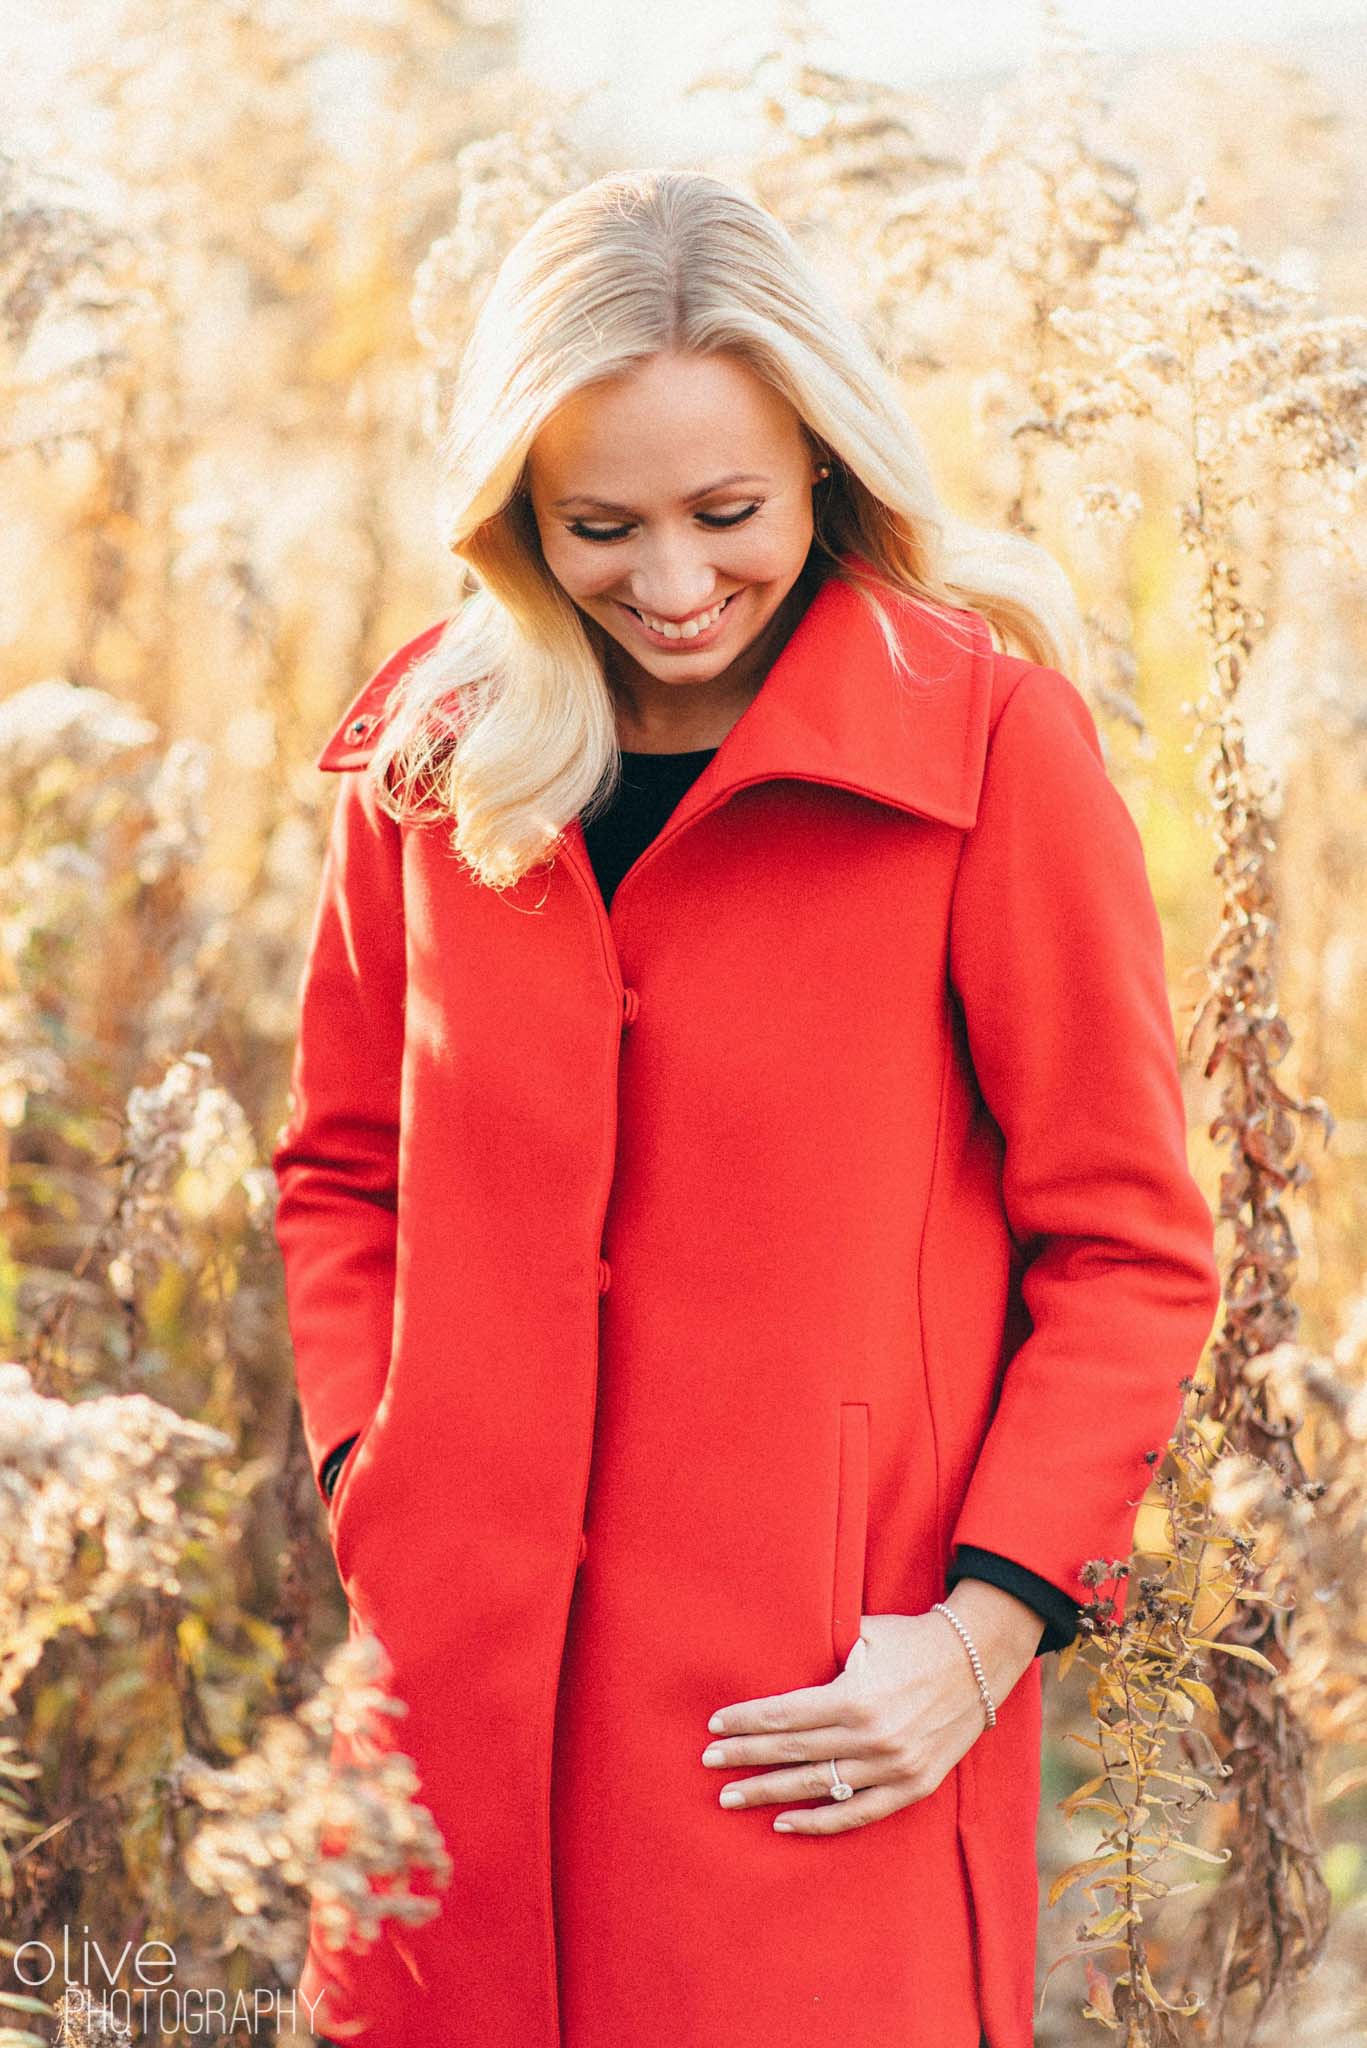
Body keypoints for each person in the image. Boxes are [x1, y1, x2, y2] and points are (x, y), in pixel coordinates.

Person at [272, 168, 1222, 2048]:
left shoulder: (991, 751)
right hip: (443, 1722)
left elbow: (1127, 1250)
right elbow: (343, 1169)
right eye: (599, 527)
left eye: (730, 514)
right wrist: (376, 1481)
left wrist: (986, 1631)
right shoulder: (424, 760)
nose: (676, 583)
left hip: (824, 1731)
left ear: (824, 469)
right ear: (514, 522)